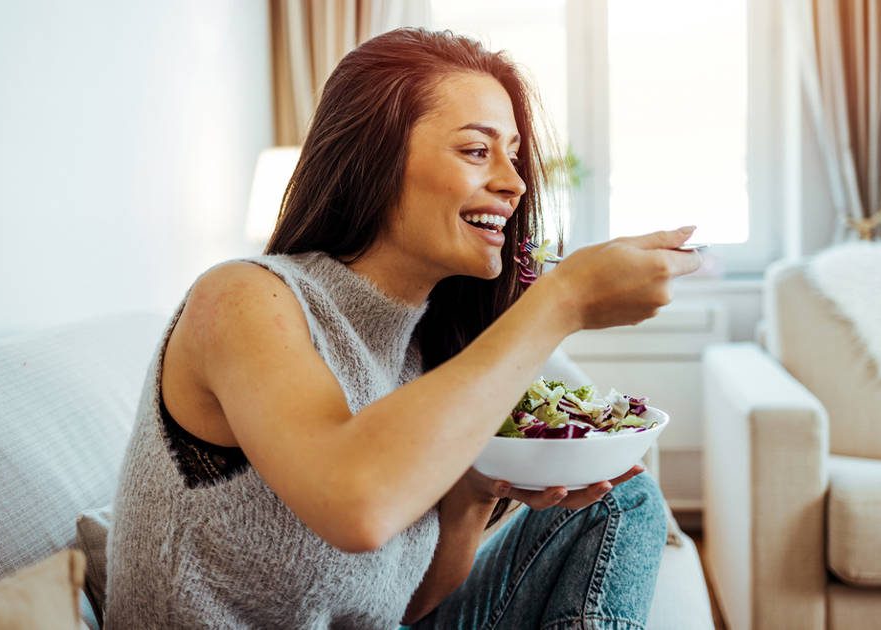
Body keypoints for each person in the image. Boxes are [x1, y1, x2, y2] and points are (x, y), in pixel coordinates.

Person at [104, 27, 702, 629]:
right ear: (376, 159)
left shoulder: (419, 349)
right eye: (476, 151)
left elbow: (401, 609)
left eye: (514, 156)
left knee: (622, 500)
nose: (515, 183)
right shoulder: (242, 298)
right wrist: (561, 300)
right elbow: (357, 507)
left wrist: (472, 494)